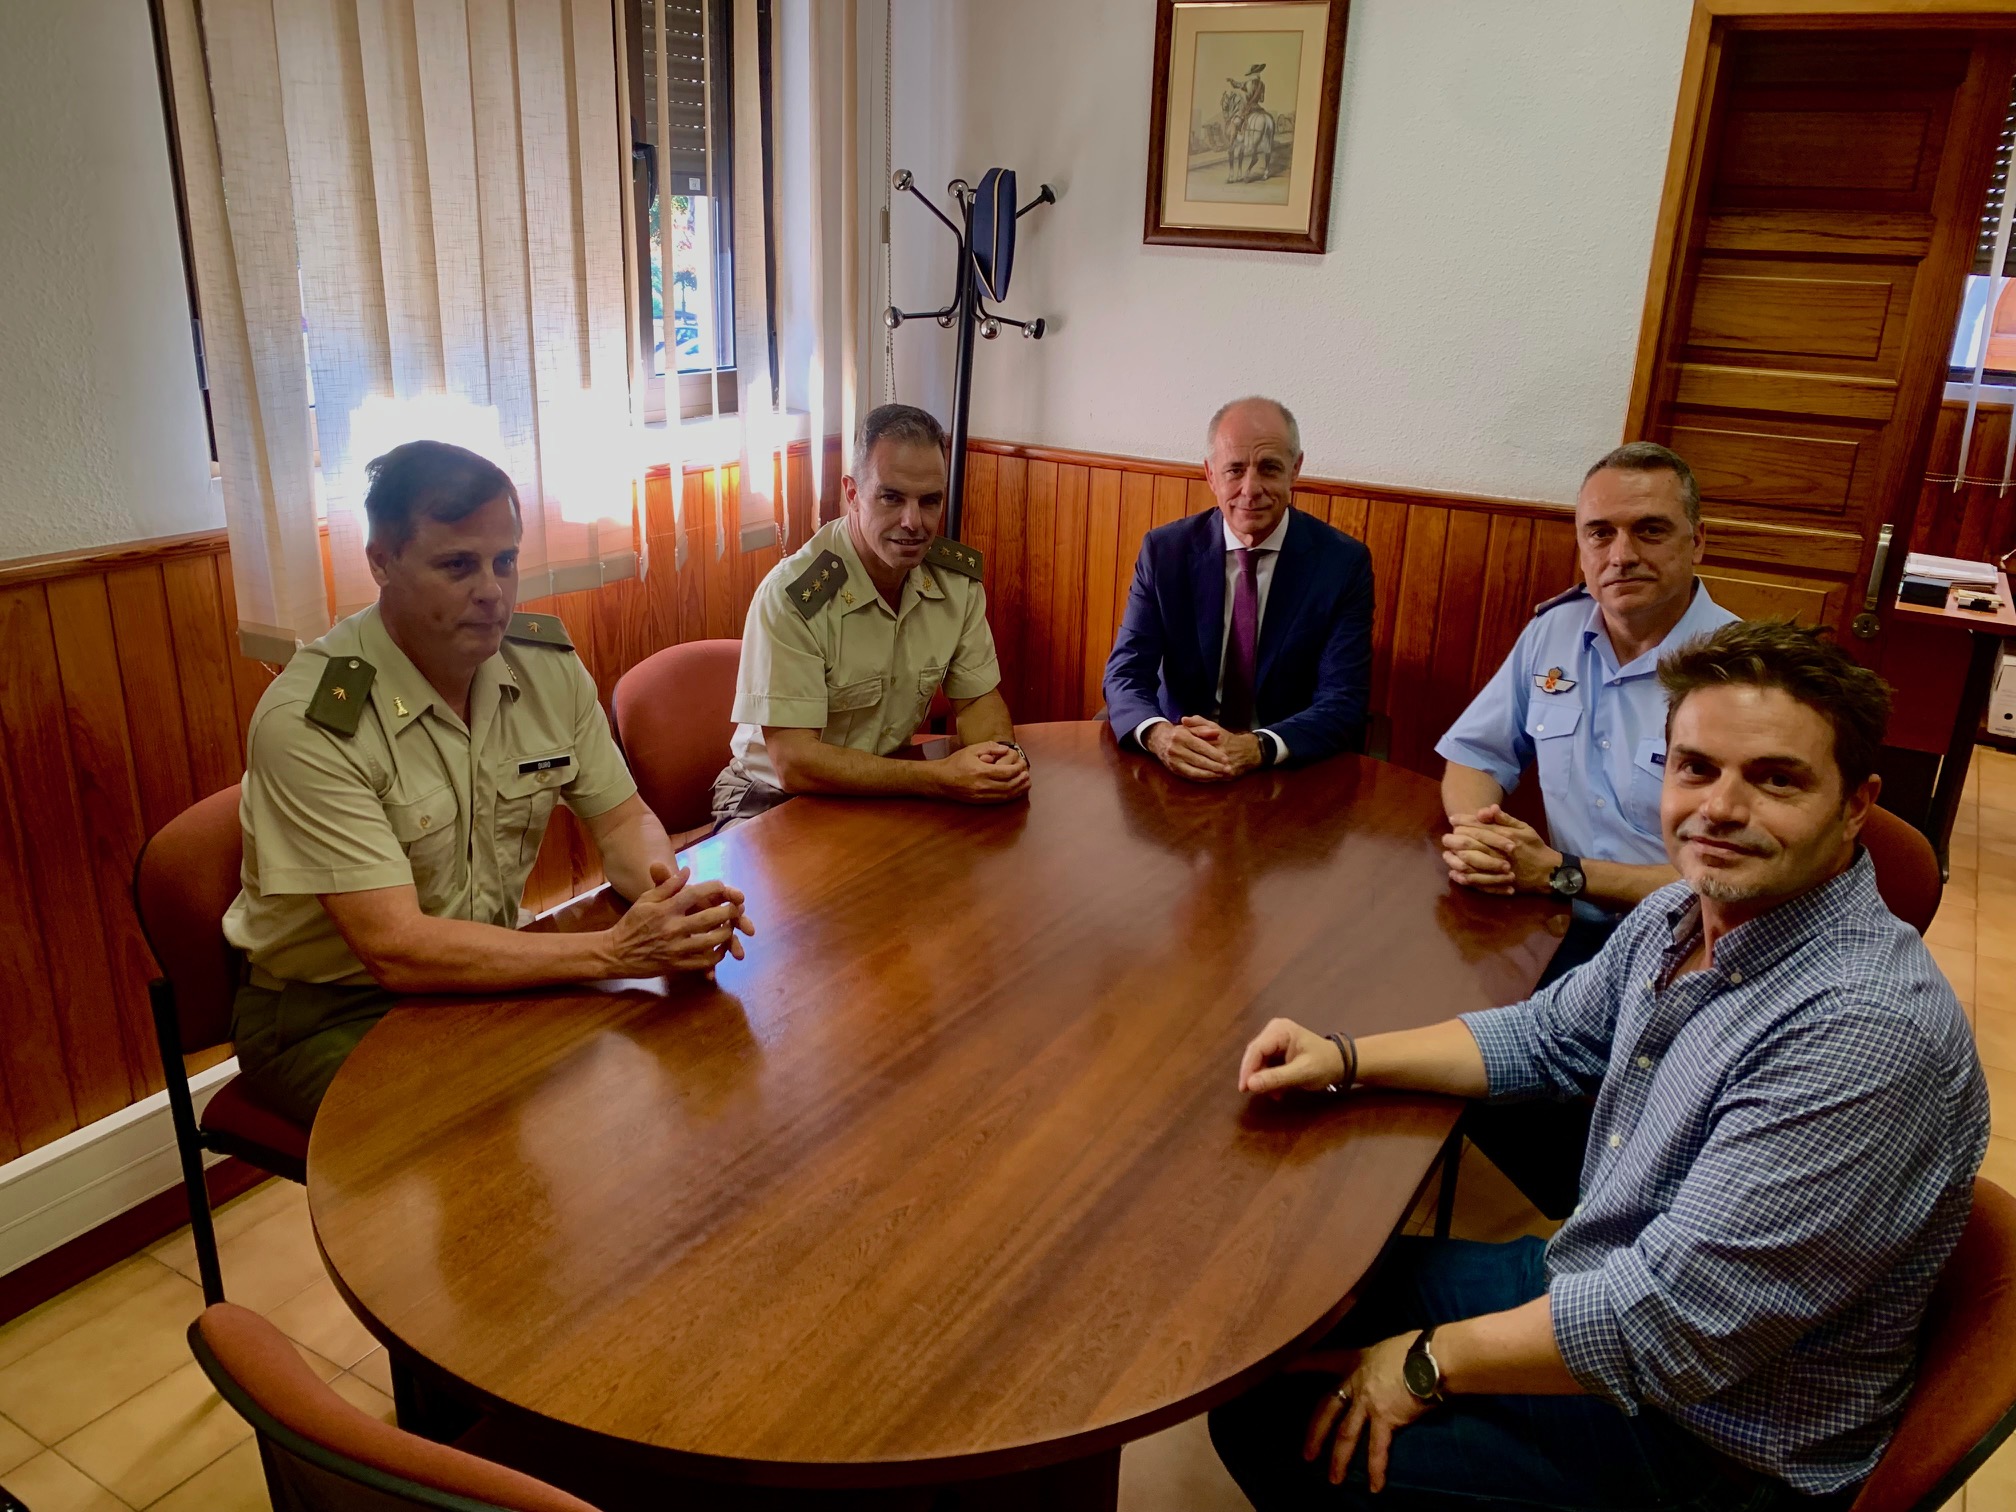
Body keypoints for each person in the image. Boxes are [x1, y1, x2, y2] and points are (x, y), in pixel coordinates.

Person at [1213, 619, 1988, 1512]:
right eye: (1695, 768)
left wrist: (1428, 1363)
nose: (1719, 810)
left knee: (1276, 1429)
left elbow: (1669, 1326)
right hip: (1609, 1284)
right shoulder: (1684, 913)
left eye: (1776, 779)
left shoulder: (1861, 1032)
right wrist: (1341, 1056)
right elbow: (1543, 1038)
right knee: (1302, 1297)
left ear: (1856, 804)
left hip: (1711, 1441)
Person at [223, 441, 753, 1127]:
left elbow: (621, 821)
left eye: (505, 562)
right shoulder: (314, 719)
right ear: (381, 563)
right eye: (457, 565)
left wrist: (667, 907)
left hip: (480, 971)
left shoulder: (543, 665)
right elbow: (396, 949)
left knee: (653, 1064)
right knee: (491, 1126)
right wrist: (613, 951)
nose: (492, 592)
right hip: (330, 1010)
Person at [1434, 441, 1736, 1218]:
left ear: (1698, 541)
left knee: (1502, 1081)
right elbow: (1472, 757)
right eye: (1600, 533)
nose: (1621, 553)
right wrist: (1486, 836)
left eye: (1651, 531)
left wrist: (1562, 872)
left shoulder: (1743, 676)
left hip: (1688, 946)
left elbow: (1733, 881)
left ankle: (1620, 1230)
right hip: (1549, 916)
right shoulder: (1554, 636)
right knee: (1420, 1017)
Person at [709, 402, 1028, 825]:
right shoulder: (794, 596)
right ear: (853, 493)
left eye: (930, 501)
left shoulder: (955, 581)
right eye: (892, 497)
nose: (913, 522)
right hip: (770, 798)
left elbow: (977, 701)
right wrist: (936, 777)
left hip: (882, 787)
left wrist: (998, 760)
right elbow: (794, 761)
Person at [1103, 396, 1373, 782]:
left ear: (1295, 469)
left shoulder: (1342, 564)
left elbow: (1343, 699)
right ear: (1211, 474)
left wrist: (1258, 746)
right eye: (1234, 470)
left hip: (1283, 771)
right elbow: (1125, 672)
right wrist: (1158, 734)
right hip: (1179, 759)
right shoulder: (1165, 552)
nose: (1250, 489)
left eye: (1269, 468)